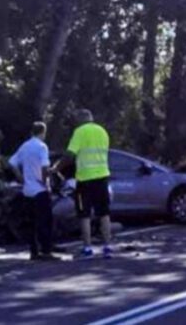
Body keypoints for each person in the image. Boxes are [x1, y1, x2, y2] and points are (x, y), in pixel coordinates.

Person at [53, 109, 112, 259]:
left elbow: (70, 155)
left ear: (80, 120)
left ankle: (87, 249)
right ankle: (107, 247)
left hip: (85, 179)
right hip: (102, 176)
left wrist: (55, 168)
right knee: (104, 213)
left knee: (84, 214)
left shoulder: (79, 132)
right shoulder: (102, 131)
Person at [8, 122, 59, 261]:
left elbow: (12, 162)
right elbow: (44, 167)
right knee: (45, 221)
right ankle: (46, 251)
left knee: (31, 222)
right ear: (43, 132)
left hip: (27, 190)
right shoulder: (42, 147)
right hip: (40, 189)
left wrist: (20, 176)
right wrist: (45, 182)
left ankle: (34, 251)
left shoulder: (25, 146)